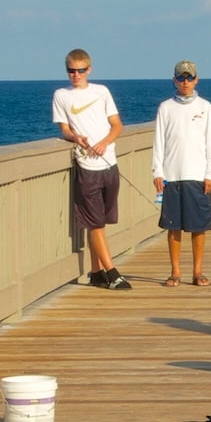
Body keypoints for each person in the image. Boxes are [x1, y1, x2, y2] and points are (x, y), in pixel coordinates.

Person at [52, 49, 132, 290]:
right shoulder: (61, 95)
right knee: (95, 222)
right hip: (86, 166)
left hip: (109, 163)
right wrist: (76, 138)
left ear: (89, 69)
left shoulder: (102, 92)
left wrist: (104, 142)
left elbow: (117, 126)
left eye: (81, 70)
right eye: (71, 71)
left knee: (100, 221)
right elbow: (64, 129)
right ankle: (113, 273)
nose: (76, 75)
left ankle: (96, 272)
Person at [153, 60, 211, 287]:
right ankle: (175, 272)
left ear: (196, 80)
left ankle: (198, 272)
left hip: (197, 176)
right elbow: (159, 142)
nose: (185, 82)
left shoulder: (205, 107)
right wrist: (158, 172)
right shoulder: (165, 108)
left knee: (198, 226)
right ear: (174, 80)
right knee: (173, 227)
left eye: (189, 78)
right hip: (172, 176)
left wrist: (210, 173)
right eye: (181, 78)